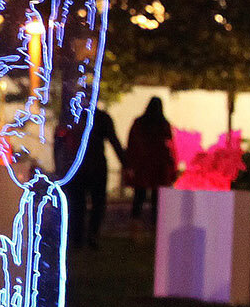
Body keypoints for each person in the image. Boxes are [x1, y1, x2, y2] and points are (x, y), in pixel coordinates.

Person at [64, 106, 124, 247]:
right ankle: (91, 236)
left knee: (78, 204)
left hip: (77, 166)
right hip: (96, 165)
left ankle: (77, 237)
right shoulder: (101, 117)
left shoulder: (75, 116)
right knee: (97, 203)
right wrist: (125, 163)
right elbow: (113, 140)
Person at [121, 96, 177, 225]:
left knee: (139, 195)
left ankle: (135, 222)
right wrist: (171, 166)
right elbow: (169, 146)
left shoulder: (139, 123)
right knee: (156, 198)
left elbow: (132, 144)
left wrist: (130, 163)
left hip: (143, 165)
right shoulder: (163, 125)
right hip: (158, 166)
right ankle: (155, 223)